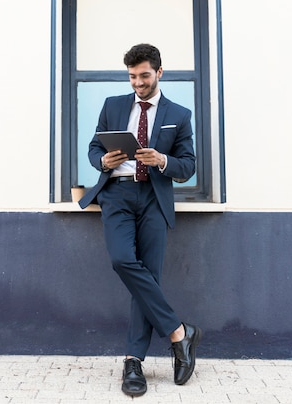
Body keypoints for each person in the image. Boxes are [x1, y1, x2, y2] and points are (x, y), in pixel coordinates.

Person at [78, 43, 201, 397]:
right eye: (132, 77)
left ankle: (134, 361)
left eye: (144, 76)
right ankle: (179, 333)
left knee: (149, 276)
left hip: (153, 197)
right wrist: (103, 162)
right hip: (116, 194)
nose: (138, 83)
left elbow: (188, 165)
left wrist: (162, 159)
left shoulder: (179, 114)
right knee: (122, 260)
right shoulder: (113, 105)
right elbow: (93, 148)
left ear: (159, 72)